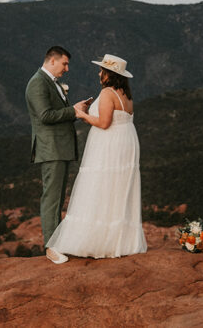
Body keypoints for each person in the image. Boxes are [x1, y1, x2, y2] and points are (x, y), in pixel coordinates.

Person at [45, 54, 148, 262]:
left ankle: (95, 240)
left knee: (99, 187)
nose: (100, 74)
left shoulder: (108, 92)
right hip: (126, 141)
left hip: (109, 144)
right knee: (118, 189)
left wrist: (80, 114)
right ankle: (119, 240)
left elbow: (103, 123)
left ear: (110, 74)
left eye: (102, 71)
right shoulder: (126, 94)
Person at [25, 45, 84, 264]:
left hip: (59, 148)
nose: (67, 69)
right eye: (64, 63)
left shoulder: (50, 82)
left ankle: (58, 242)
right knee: (51, 198)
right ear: (52, 61)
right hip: (51, 149)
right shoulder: (37, 83)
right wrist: (75, 111)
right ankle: (51, 246)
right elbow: (45, 115)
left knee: (58, 197)